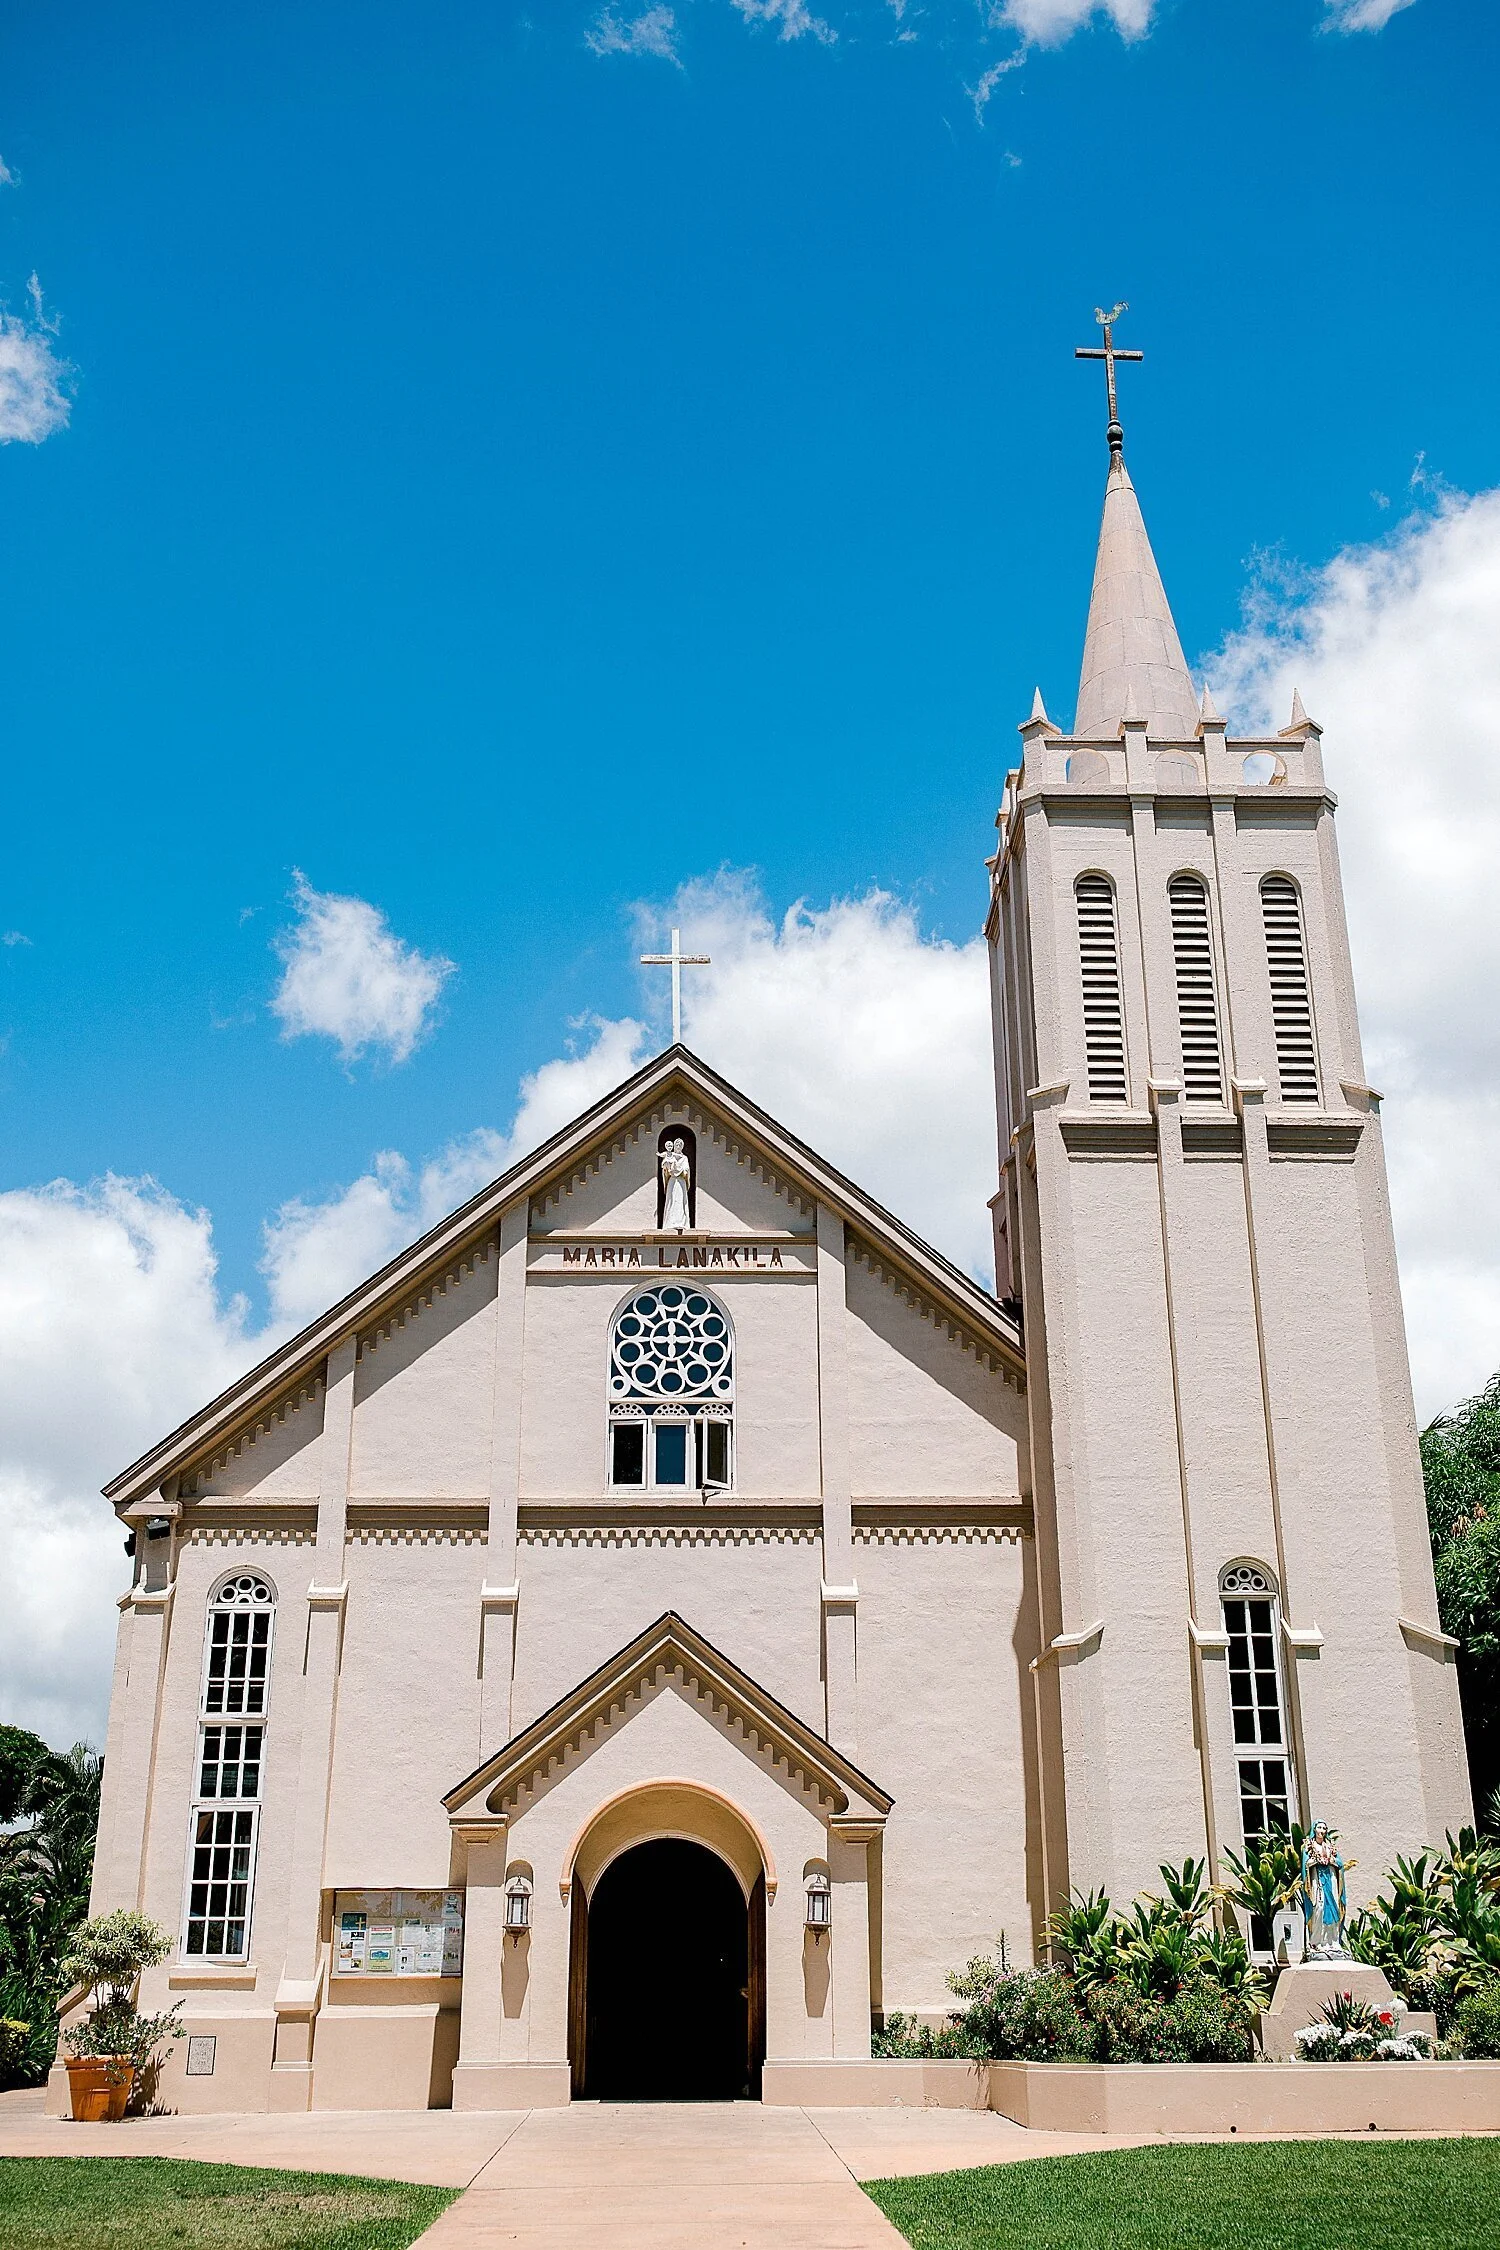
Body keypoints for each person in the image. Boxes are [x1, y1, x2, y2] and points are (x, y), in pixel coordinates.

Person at [1300, 1821, 1350, 1959]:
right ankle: (1317, 1942)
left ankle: (1333, 1941)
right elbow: (1305, 1865)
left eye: (1324, 1828)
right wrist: (1315, 1861)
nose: (1322, 1830)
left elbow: (1339, 1864)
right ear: (1314, 1829)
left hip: (1330, 1880)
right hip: (1317, 1881)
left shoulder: (1330, 1846)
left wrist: (1331, 1861)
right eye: (1319, 1827)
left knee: (1333, 1909)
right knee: (1319, 1909)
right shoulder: (1309, 1847)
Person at [660, 1139, 691, 1232]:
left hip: (681, 1182)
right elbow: (665, 1168)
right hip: (672, 1181)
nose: (678, 1146)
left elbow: (686, 1170)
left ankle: (681, 1222)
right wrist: (667, 1165)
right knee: (671, 1200)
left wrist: (679, 1170)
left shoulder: (684, 1158)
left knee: (680, 1200)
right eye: (676, 1144)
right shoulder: (670, 1156)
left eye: (680, 1145)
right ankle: (670, 1222)